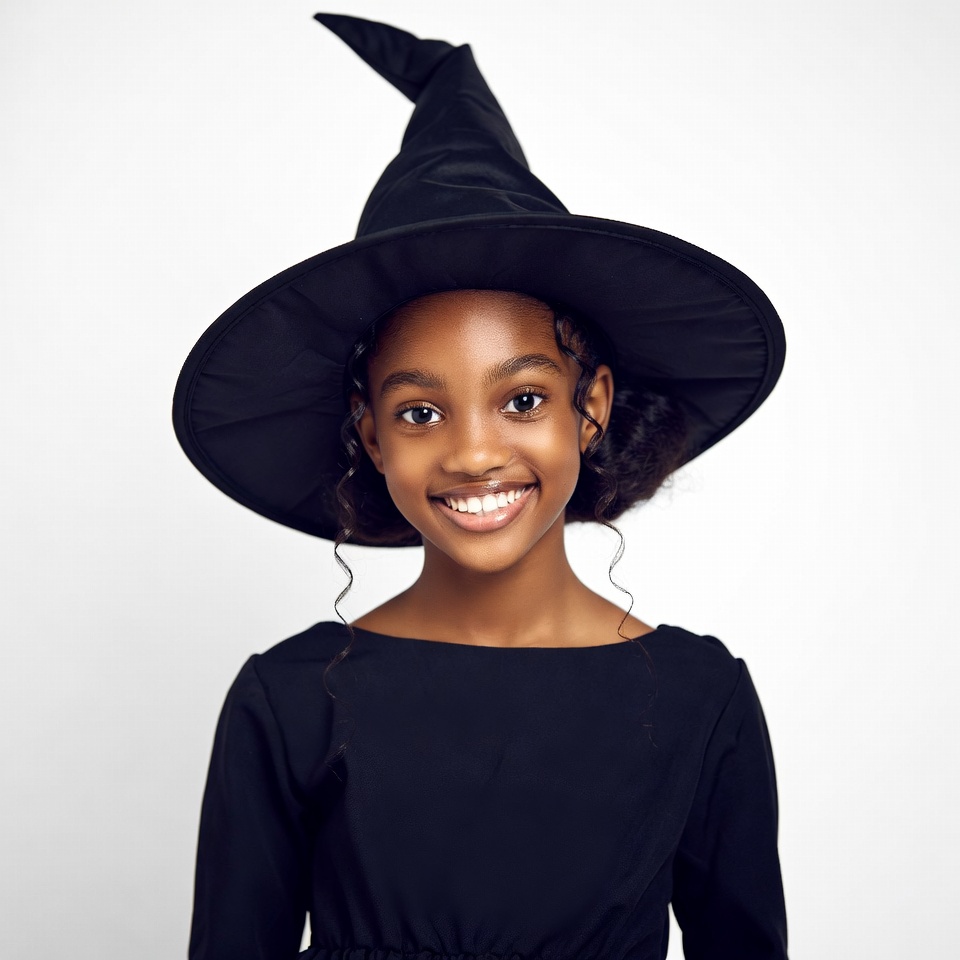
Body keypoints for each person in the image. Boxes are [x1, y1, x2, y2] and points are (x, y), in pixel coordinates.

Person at [174, 13, 788, 960]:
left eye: (523, 399)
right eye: (421, 413)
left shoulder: (702, 697)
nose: (470, 453)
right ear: (368, 433)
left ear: (592, 408)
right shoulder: (291, 696)